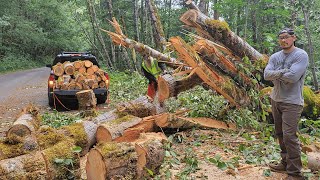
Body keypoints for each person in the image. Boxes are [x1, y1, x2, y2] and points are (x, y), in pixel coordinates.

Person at [264, 28, 309, 180]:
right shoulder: (275, 56)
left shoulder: (301, 55)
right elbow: (266, 75)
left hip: (292, 102)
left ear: (293, 38)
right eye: (281, 38)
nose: (283, 40)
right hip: (276, 99)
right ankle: (285, 162)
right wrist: (284, 71)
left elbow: (293, 77)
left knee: (290, 136)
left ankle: (295, 173)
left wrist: (276, 74)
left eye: (286, 37)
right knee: (280, 134)